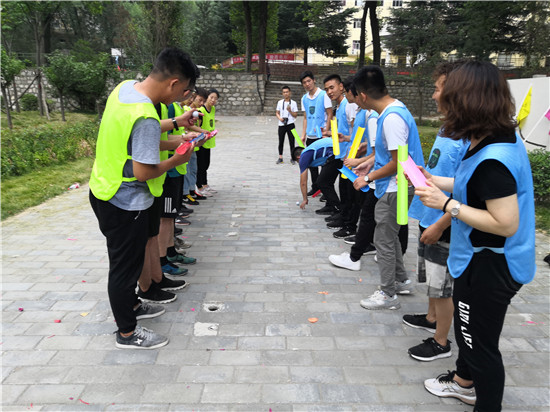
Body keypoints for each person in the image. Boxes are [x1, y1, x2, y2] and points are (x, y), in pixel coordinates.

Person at [417, 61, 536, 410]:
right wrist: (437, 182)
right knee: (473, 337)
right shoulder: (491, 138)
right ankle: (464, 381)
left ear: (466, 100)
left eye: (445, 93)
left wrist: (447, 205)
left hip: (491, 264)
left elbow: (504, 222)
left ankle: (484, 400)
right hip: (482, 257)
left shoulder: (494, 158)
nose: (438, 98)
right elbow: (477, 186)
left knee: (479, 345)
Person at [89, 47, 199, 349]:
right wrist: (177, 160)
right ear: (174, 83)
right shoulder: (145, 115)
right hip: (124, 201)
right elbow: (143, 172)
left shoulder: (125, 91)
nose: (181, 99)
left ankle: (134, 306)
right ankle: (127, 332)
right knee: (124, 269)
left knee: (125, 263)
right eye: (184, 91)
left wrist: (177, 130)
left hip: (102, 189)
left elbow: (140, 137)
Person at [404, 62, 469, 362]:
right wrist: (422, 175)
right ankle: (431, 317)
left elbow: (466, 190)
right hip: (430, 214)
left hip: (447, 221)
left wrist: (442, 225)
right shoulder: (447, 127)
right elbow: (443, 172)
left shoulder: (471, 137)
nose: (434, 95)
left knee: (443, 286)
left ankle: (441, 341)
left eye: (439, 88)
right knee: (431, 278)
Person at [351, 65, 424, 310]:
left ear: (362, 95)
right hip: (399, 186)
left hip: (397, 187)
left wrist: (368, 178)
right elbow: (390, 155)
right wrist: (370, 164)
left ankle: (388, 294)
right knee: (389, 237)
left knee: (382, 239)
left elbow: (397, 162)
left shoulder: (391, 119)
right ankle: (401, 281)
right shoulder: (394, 110)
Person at [299, 71, 333, 196]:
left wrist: (326, 132)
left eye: (309, 81)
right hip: (310, 136)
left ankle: (325, 190)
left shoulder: (324, 95)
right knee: (312, 164)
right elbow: (305, 117)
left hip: (321, 136)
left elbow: (330, 114)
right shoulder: (304, 98)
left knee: (324, 163)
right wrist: (303, 134)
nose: (307, 84)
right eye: (304, 83)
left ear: (313, 80)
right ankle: (315, 187)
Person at [293, 139, 334, 210]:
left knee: (321, 182)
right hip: (336, 150)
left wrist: (305, 199)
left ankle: (336, 207)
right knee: (326, 181)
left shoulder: (303, 157)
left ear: (298, 157)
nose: (300, 164)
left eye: (298, 162)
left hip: (335, 153)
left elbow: (303, 182)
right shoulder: (309, 150)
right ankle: (330, 205)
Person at [196, 88, 219, 197]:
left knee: (206, 164)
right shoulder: (201, 111)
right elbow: (197, 126)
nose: (213, 100)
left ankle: (205, 184)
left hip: (209, 141)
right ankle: (199, 186)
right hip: (201, 141)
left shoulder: (213, 109)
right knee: (200, 165)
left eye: (216, 98)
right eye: (211, 97)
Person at [275, 85, 298, 164]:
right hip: (281, 124)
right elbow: (277, 113)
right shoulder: (280, 102)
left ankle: (292, 157)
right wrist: (280, 118)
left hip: (291, 124)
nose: (286, 94)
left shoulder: (294, 103)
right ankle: (280, 157)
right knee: (281, 141)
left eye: (287, 92)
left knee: (292, 141)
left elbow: (295, 115)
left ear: (290, 93)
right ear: (282, 93)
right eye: (284, 92)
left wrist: (290, 111)